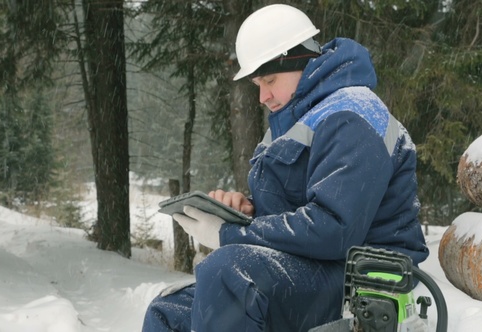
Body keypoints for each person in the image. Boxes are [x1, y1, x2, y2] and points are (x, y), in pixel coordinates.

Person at [142, 4, 428, 332]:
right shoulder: (300, 117)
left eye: (270, 80)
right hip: (318, 267)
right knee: (169, 311)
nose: (264, 96)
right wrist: (247, 211)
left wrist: (228, 233)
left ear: (301, 61)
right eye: (258, 85)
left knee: (229, 271)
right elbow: (297, 211)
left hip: (368, 279)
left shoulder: (353, 115)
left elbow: (335, 230)